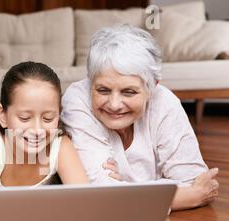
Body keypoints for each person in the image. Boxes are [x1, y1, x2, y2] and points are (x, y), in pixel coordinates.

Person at [61, 24, 219, 211]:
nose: (114, 104)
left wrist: (123, 191)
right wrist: (187, 197)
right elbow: (99, 196)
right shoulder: (78, 98)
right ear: (90, 82)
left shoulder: (164, 101)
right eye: (103, 90)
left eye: (129, 92)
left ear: (152, 87)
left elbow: (191, 179)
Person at [0, 61, 88, 188]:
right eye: (25, 118)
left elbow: (85, 200)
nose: (37, 130)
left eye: (48, 119)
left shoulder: (60, 145)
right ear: (2, 115)